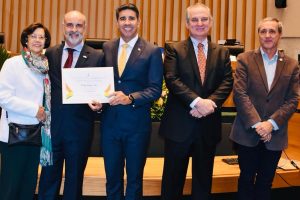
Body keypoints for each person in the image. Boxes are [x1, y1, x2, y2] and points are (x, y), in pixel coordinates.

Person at [158, 3, 233, 200]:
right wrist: (197, 102)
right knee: (172, 182)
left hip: (207, 125)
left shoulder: (222, 52)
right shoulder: (174, 49)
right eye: (194, 19)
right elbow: (172, 79)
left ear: (211, 22)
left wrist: (209, 104)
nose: (200, 23)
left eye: (204, 19)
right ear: (187, 23)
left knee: (203, 182)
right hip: (179, 126)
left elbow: (227, 81)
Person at [89, 3, 163, 200]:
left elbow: (155, 89)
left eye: (131, 18)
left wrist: (130, 98)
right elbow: (102, 83)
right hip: (110, 125)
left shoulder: (152, 51)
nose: (127, 22)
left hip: (136, 127)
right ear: (117, 22)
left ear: (139, 22)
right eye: (123, 18)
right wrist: (98, 102)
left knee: (134, 181)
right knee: (112, 179)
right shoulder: (107, 47)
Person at [230, 17, 299, 200]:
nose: (267, 35)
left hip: (275, 134)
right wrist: (258, 124)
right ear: (258, 34)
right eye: (263, 31)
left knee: (265, 183)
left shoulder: (292, 64)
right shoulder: (244, 59)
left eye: (272, 31)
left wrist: (271, 124)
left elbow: (293, 99)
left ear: (279, 35)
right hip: (247, 133)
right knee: (245, 180)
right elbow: (240, 94)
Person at [38, 10, 104, 200]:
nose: (74, 30)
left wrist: (100, 105)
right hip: (52, 130)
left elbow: (104, 91)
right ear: (63, 27)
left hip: (79, 130)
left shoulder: (97, 56)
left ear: (85, 28)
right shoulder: (49, 54)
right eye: (69, 25)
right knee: (48, 180)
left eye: (79, 25)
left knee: (74, 183)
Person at [0, 22, 51, 200]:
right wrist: (34, 110)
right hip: (14, 135)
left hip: (36, 135)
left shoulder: (45, 66)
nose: (37, 40)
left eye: (41, 37)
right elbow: (3, 98)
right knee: (10, 186)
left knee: (28, 187)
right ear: (26, 39)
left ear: (46, 41)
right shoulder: (12, 63)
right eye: (33, 36)